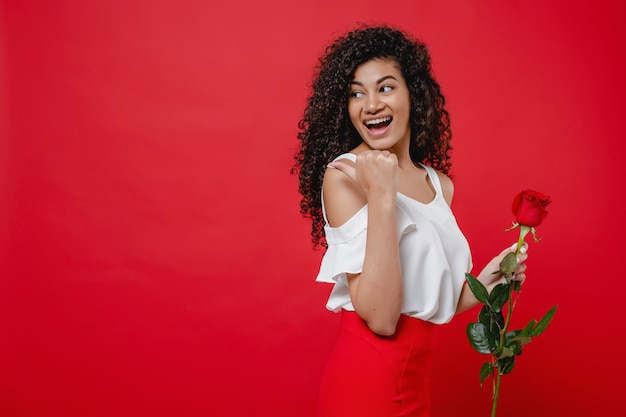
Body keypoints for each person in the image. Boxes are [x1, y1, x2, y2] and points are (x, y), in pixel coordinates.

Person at [293, 25, 528, 417]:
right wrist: (382, 194)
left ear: (412, 95)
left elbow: (431, 303)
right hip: (365, 388)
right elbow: (383, 319)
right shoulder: (345, 176)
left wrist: (491, 279)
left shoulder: (439, 185)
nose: (370, 104)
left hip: (416, 387)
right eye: (356, 93)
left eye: (385, 88)